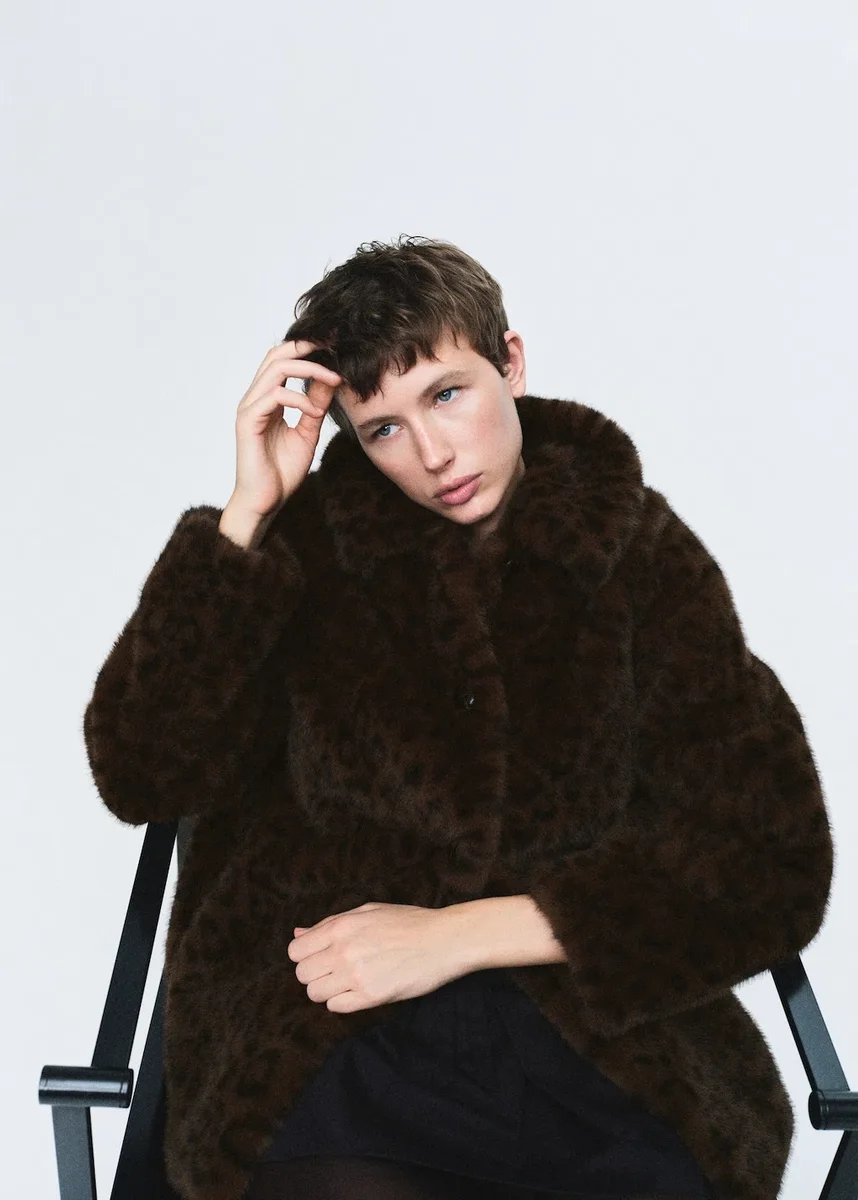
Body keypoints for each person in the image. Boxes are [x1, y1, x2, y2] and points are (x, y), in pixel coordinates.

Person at [83, 235, 833, 1200]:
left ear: (509, 363)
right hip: (333, 1035)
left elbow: (768, 858)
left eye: (446, 395)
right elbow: (143, 770)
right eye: (382, 429)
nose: (432, 455)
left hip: (598, 1048)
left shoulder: (637, 558)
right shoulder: (303, 552)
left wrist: (463, 934)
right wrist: (247, 515)